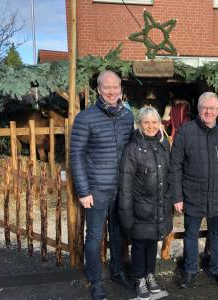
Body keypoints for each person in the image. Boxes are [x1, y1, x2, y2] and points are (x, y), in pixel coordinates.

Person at [70, 70, 134, 300]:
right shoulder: (85, 118)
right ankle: (96, 281)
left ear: (120, 89)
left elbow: (131, 150)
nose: (111, 91)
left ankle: (117, 272)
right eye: (106, 87)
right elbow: (76, 155)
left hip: (121, 189)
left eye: (115, 87)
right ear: (98, 89)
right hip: (96, 190)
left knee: (118, 235)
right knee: (95, 236)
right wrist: (83, 190)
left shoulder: (127, 117)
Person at [169, 92, 218, 288]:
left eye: (213, 108)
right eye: (205, 107)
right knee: (191, 234)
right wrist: (177, 196)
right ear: (198, 109)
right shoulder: (185, 132)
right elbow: (175, 166)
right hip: (192, 193)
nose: (208, 111)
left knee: (216, 234)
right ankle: (189, 270)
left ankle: (216, 268)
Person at [118, 106, 172, 300]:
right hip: (140, 209)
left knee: (153, 243)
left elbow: (169, 175)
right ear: (139, 124)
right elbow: (125, 185)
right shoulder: (133, 149)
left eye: (154, 122)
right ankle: (139, 279)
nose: (151, 126)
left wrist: (169, 200)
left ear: (159, 124)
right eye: (146, 122)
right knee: (140, 245)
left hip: (159, 207)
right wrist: (126, 215)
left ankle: (150, 275)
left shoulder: (164, 144)